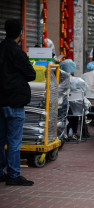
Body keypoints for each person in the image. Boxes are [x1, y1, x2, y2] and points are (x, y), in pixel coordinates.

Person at [0, 19, 36, 186]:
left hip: (1, 101)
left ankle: (1, 172)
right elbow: (31, 75)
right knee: (14, 140)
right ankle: (13, 174)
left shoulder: (1, 48)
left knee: (1, 139)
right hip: (14, 102)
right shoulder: (17, 52)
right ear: (21, 33)